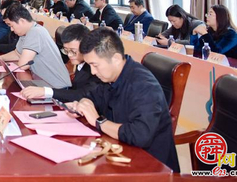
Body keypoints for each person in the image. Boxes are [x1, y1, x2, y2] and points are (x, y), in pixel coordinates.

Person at [66, 28, 180, 172]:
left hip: (151, 167)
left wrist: (98, 121)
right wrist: (83, 105)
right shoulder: (110, 77)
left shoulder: (144, 85)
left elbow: (139, 135)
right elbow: (91, 97)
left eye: (95, 65)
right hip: (118, 153)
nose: (93, 72)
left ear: (116, 59)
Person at [0, 6, 71, 89]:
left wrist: (16, 61)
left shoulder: (35, 32)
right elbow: (17, 54)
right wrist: (1, 58)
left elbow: (23, 65)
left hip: (57, 87)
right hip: (42, 82)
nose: (11, 30)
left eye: (12, 25)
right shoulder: (25, 33)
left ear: (22, 21)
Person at [21, 24, 102, 102]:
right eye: (66, 51)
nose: (69, 55)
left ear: (85, 46)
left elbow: (84, 95)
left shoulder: (95, 68)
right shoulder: (80, 63)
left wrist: (46, 91)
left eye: (73, 51)